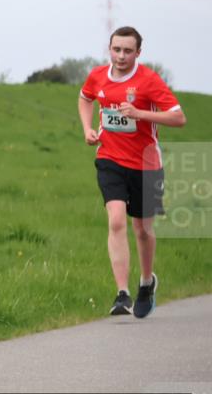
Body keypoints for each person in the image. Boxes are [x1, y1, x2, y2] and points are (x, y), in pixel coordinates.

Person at [78, 26, 186, 318]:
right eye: (116, 49)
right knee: (115, 221)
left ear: (138, 52)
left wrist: (141, 114)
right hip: (110, 158)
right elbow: (85, 97)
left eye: (128, 51)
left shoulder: (149, 80)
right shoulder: (98, 75)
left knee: (142, 230)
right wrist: (88, 128)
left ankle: (146, 283)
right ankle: (122, 294)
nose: (121, 56)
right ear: (109, 49)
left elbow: (179, 117)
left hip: (146, 165)